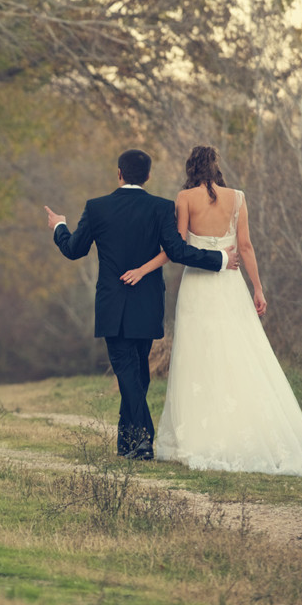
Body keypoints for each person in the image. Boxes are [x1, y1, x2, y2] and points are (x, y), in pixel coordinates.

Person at [121, 145, 302, 476]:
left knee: (199, 355)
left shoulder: (185, 198)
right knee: (238, 352)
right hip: (231, 284)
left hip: (198, 286)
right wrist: (258, 288)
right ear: (216, 166)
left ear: (191, 168)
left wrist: (143, 269)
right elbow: (245, 246)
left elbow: (176, 248)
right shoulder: (238, 197)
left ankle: (201, 435)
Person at [44, 149, 239, 460]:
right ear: (148, 176)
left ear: (119, 173)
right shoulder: (161, 207)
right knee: (136, 376)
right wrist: (220, 258)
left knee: (131, 376)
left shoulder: (97, 208)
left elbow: (72, 250)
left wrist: (59, 226)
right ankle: (128, 444)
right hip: (148, 304)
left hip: (112, 308)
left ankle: (142, 442)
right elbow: (177, 251)